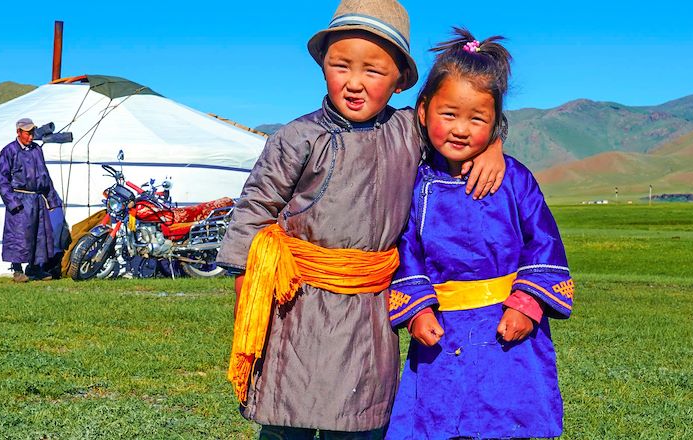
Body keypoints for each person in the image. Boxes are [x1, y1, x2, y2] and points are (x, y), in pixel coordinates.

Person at [217, 1, 507, 437]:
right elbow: (254, 210)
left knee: (361, 418)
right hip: (295, 305)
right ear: (323, 67)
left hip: (371, 308)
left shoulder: (410, 132)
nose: (354, 83)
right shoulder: (297, 137)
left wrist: (494, 144)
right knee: (286, 417)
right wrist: (247, 293)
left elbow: (459, 125)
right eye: (341, 66)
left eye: (372, 71)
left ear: (400, 83)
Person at [385, 28, 575, 439]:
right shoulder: (416, 186)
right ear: (423, 111)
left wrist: (527, 305)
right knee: (439, 421)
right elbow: (407, 249)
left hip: (509, 334)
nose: (460, 129)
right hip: (442, 332)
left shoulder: (515, 180)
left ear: (495, 123)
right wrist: (416, 309)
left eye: (478, 119)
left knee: (506, 422)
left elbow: (543, 243)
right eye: (449, 114)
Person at [0, 117, 63, 282]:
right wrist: (13, 202)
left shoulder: (37, 150)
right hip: (20, 198)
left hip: (37, 198)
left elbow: (44, 175)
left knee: (39, 234)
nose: (31, 136)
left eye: (32, 132)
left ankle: (34, 269)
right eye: (27, 133)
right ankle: (17, 271)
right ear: (18, 132)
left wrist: (52, 199)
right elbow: (1, 179)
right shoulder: (9, 151)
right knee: (18, 235)